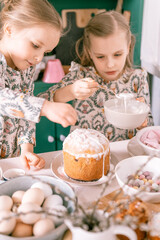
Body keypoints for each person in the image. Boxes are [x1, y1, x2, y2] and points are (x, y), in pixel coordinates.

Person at [41, 10, 153, 142]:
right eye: (100, 56)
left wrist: (142, 124)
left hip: (124, 154)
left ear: (128, 47)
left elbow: (149, 128)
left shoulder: (137, 79)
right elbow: (43, 100)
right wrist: (71, 91)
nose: (110, 64)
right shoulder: (81, 75)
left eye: (117, 54)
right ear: (90, 52)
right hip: (86, 152)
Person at [0, 0, 77, 169]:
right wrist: (46, 107)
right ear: (9, 30)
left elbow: (25, 113)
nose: (39, 57)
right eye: (35, 45)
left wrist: (26, 149)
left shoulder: (26, 67)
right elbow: (2, 99)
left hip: (9, 161)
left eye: (45, 52)